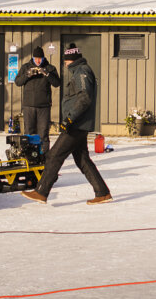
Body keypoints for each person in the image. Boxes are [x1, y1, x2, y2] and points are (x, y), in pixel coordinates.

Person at [21, 43, 111, 205]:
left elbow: (84, 98)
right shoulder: (79, 71)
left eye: (66, 61)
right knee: (82, 159)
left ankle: (41, 191)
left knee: (54, 156)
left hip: (76, 124)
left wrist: (70, 118)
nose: (64, 64)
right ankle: (102, 192)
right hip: (78, 123)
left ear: (71, 60)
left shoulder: (82, 72)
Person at [14, 46, 60, 153]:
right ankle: (29, 154)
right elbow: (18, 82)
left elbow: (57, 83)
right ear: (33, 58)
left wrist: (47, 74)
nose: (38, 61)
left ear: (43, 58)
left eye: (40, 58)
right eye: (36, 58)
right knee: (29, 132)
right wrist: (27, 75)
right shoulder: (26, 67)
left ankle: (44, 156)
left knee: (43, 132)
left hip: (44, 106)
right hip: (28, 106)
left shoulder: (50, 68)